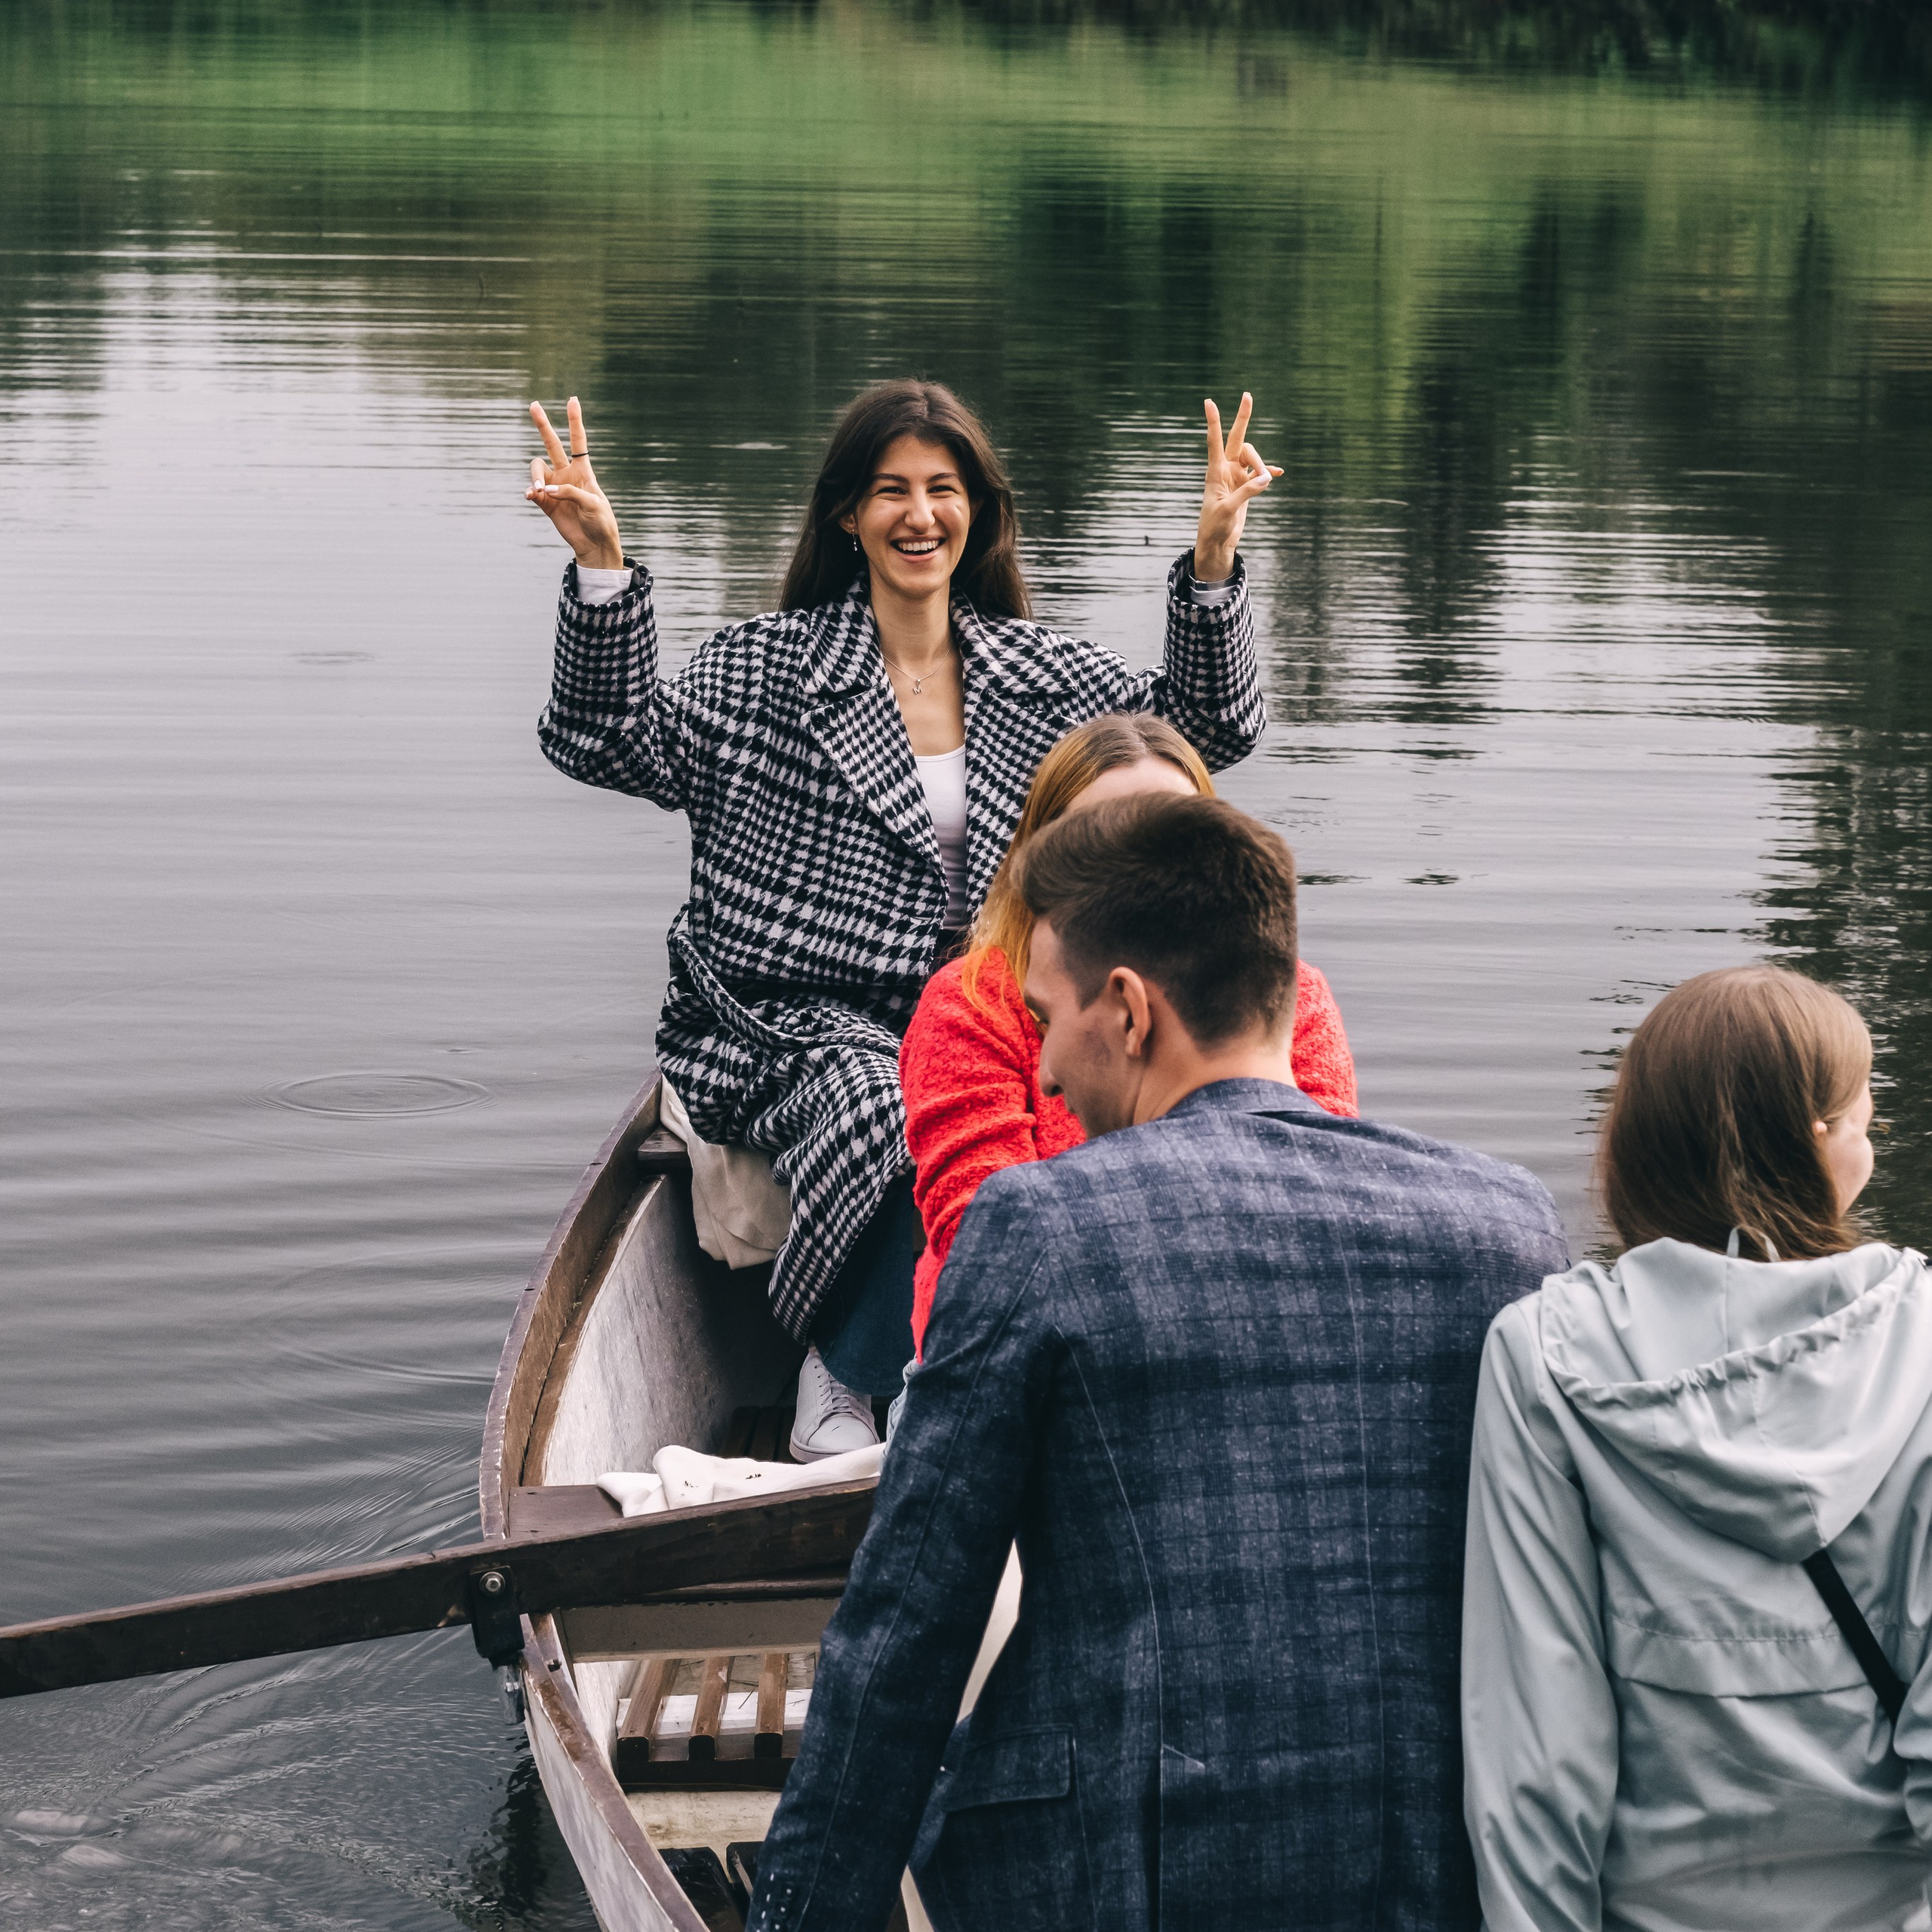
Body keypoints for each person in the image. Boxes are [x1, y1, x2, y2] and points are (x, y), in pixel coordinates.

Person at [746, 792, 1569, 1931]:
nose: (1040, 1074)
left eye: (1047, 1018)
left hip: (1119, 1887)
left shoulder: (1039, 1230)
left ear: (1129, 1010)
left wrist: (794, 1916)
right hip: (1436, 1873)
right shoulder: (1510, 1226)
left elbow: (906, 1630)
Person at [525, 381, 1275, 1458]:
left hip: (992, 1008)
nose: (920, 515)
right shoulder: (765, 669)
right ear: (848, 515)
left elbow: (1203, 735)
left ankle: (1011, 1373)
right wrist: (602, 566)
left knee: (1080, 1113)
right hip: (782, 1020)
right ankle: (846, 1373)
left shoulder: (1044, 673)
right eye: (891, 491)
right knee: (894, 1098)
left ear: (977, 511)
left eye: (942, 489)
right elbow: (609, 744)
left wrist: (1213, 560)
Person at [1463, 965, 1932, 1932]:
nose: (1870, 1147)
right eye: (1863, 1124)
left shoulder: (1542, 1354)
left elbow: (1536, 1730)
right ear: (1815, 1143)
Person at [900, 710, 1358, 1357]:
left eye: (1171, 835)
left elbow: (1319, 1187)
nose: (1141, 871)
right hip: (1017, 1349)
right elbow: (981, 1242)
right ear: (1042, 855)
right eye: (1099, 844)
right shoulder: (969, 1001)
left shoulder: (1288, 989)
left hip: (1232, 1336)